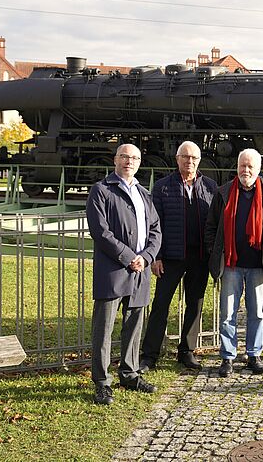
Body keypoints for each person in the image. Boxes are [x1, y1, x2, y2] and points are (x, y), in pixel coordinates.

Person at [86, 143, 161, 405]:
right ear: (115, 159)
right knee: (104, 329)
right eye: (124, 157)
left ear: (140, 162)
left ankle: (129, 373)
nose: (129, 161)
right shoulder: (102, 190)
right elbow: (101, 232)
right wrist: (130, 257)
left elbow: (155, 230)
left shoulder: (143, 193)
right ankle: (102, 382)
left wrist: (146, 257)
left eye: (134, 158)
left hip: (140, 271)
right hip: (114, 270)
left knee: (134, 325)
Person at [206, 149, 263, 377]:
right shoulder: (223, 193)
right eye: (243, 166)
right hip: (231, 264)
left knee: (257, 313)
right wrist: (215, 252)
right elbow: (211, 227)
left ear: (259, 169)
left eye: (251, 167)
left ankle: (254, 354)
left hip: (258, 265)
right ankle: (228, 357)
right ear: (237, 167)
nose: (246, 170)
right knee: (227, 313)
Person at [139, 141, 217, 373]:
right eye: (185, 157)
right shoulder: (163, 187)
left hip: (199, 257)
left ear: (199, 161)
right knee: (161, 304)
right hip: (171, 257)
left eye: (193, 158)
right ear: (177, 159)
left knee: (195, 304)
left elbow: (214, 223)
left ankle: (187, 351)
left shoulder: (211, 186)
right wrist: (156, 256)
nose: (189, 161)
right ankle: (149, 355)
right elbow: (154, 224)